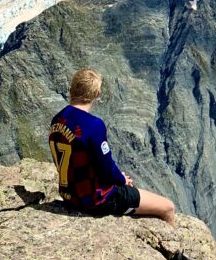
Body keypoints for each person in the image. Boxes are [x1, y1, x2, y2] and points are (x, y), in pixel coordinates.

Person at [48, 68, 175, 223]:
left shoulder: (57, 119)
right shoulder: (93, 125)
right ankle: (175, 246)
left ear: (71, 89)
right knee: (168, 207)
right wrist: (122, 179)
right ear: (97, 94)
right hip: (96, 200)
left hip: (69, 195)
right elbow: (106, 168)